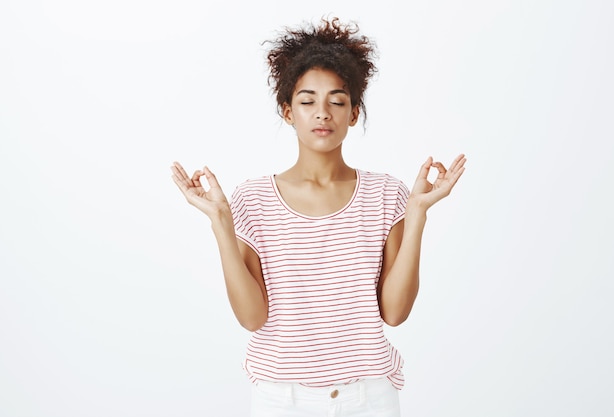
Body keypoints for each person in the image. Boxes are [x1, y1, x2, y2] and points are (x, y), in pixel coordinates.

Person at [171, 16, 466, 417]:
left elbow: (394, 313)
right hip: (281, 399)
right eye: (307, 101)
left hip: (370, 398)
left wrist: (416, 215)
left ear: (354, 112)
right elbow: (253, 318)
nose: (322, 113)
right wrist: (221, 223)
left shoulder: (386, 194)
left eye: (337, 101)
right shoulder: (252, 199)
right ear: (288, 111)